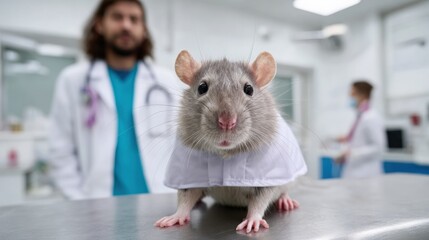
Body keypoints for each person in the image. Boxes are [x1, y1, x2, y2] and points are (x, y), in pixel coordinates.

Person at [49, 0, 178, 200]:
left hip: (161, 201)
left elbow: (184, 145)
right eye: (117, 17)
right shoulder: (73, 80)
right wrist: (78, 199)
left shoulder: (166, 81)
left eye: (134, 19)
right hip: (96, 205)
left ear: (143, 29)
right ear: (99, 25)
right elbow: (60, 150)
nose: (126, 25)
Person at [335, 80, 386, 178]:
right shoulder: (360, 116)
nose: (349, 97)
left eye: (352, 93)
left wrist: (352, 153)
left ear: (362, 95)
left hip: (367, 173)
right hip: (354, 170)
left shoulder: (371, 117)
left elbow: (379, 148)